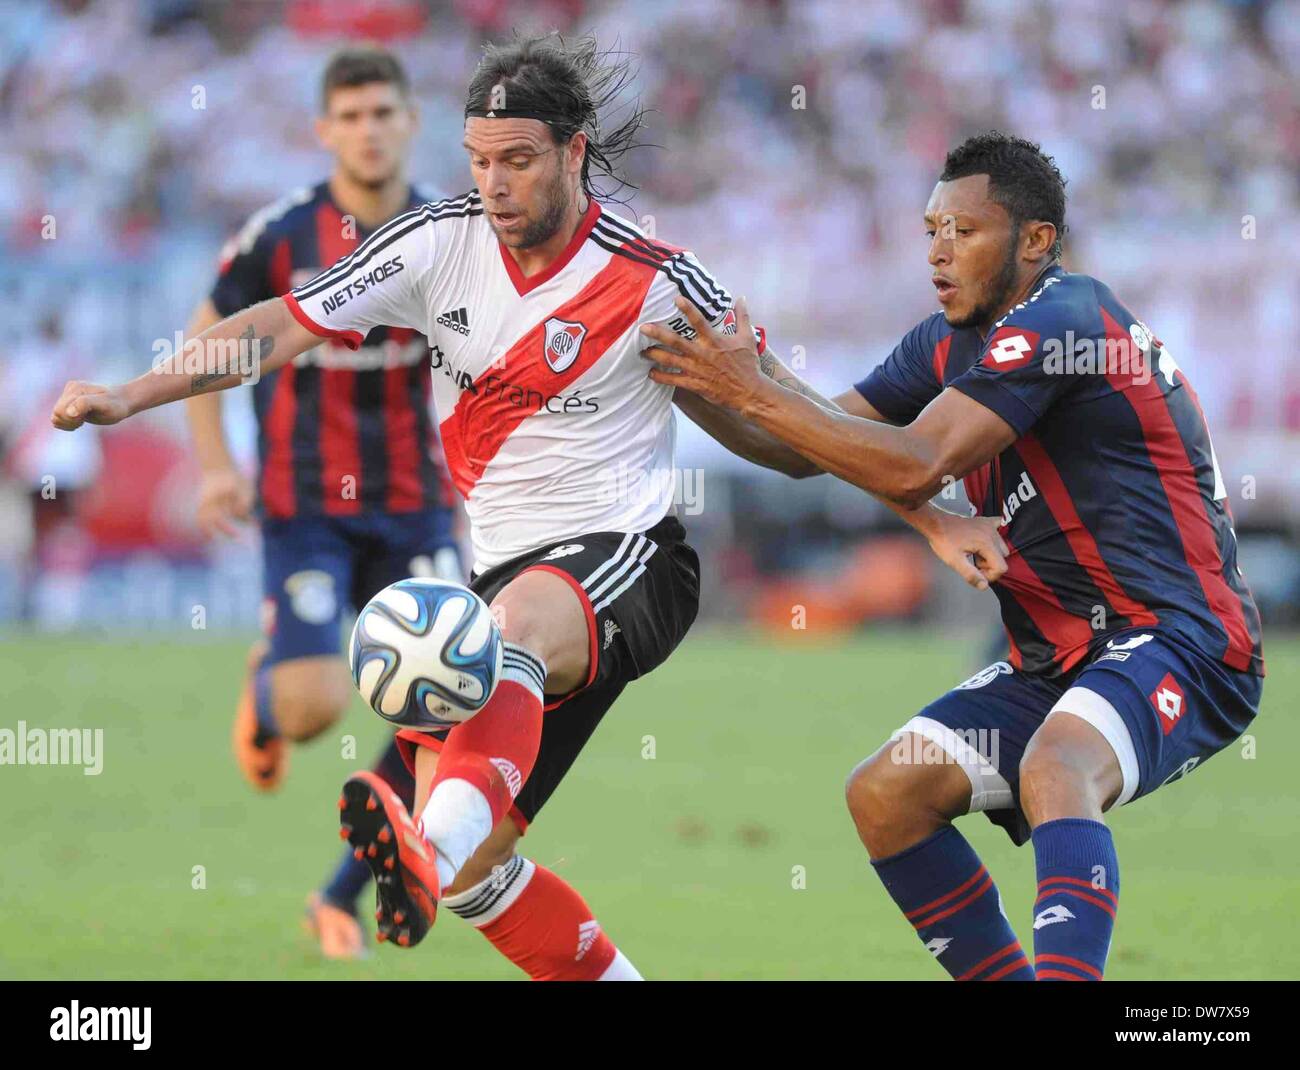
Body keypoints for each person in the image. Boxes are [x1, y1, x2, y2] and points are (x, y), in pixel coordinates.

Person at [51, 35, 1002, 980]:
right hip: (502, 578)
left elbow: (791, 435)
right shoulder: (434, 244)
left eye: (517, 161)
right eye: (478, 162)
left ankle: (421, 849)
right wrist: (131, 395)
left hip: (630, 563)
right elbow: (275, 327)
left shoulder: (658, 278)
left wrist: (924, 512)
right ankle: (456, 866)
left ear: (575, 151)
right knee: (474, 873)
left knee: (484, 683)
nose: (494, 184)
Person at [644, 131, 1264, 981]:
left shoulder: (1065, 319)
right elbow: (808, 447)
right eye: (931, 229)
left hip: (1181, 638)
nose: (937, 250)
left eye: (963, 232)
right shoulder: (945, 340)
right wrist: (695, 378)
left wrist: (754, 385)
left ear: (1035, 240)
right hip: (1056, 658)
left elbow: (910, 460)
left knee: (1057, 767)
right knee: (887, 796)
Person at [184, 46, 461, 959]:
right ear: (323, 130)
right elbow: (205, 339)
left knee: (446, 704)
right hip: (304, 504)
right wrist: (215, 462)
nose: (368, 130)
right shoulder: (282, 235)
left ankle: (339, 893)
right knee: (314, 712)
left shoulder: (450, 231)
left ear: (409, 120)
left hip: (418, 505)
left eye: (383, 112)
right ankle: (269, 695)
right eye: (350, 116)